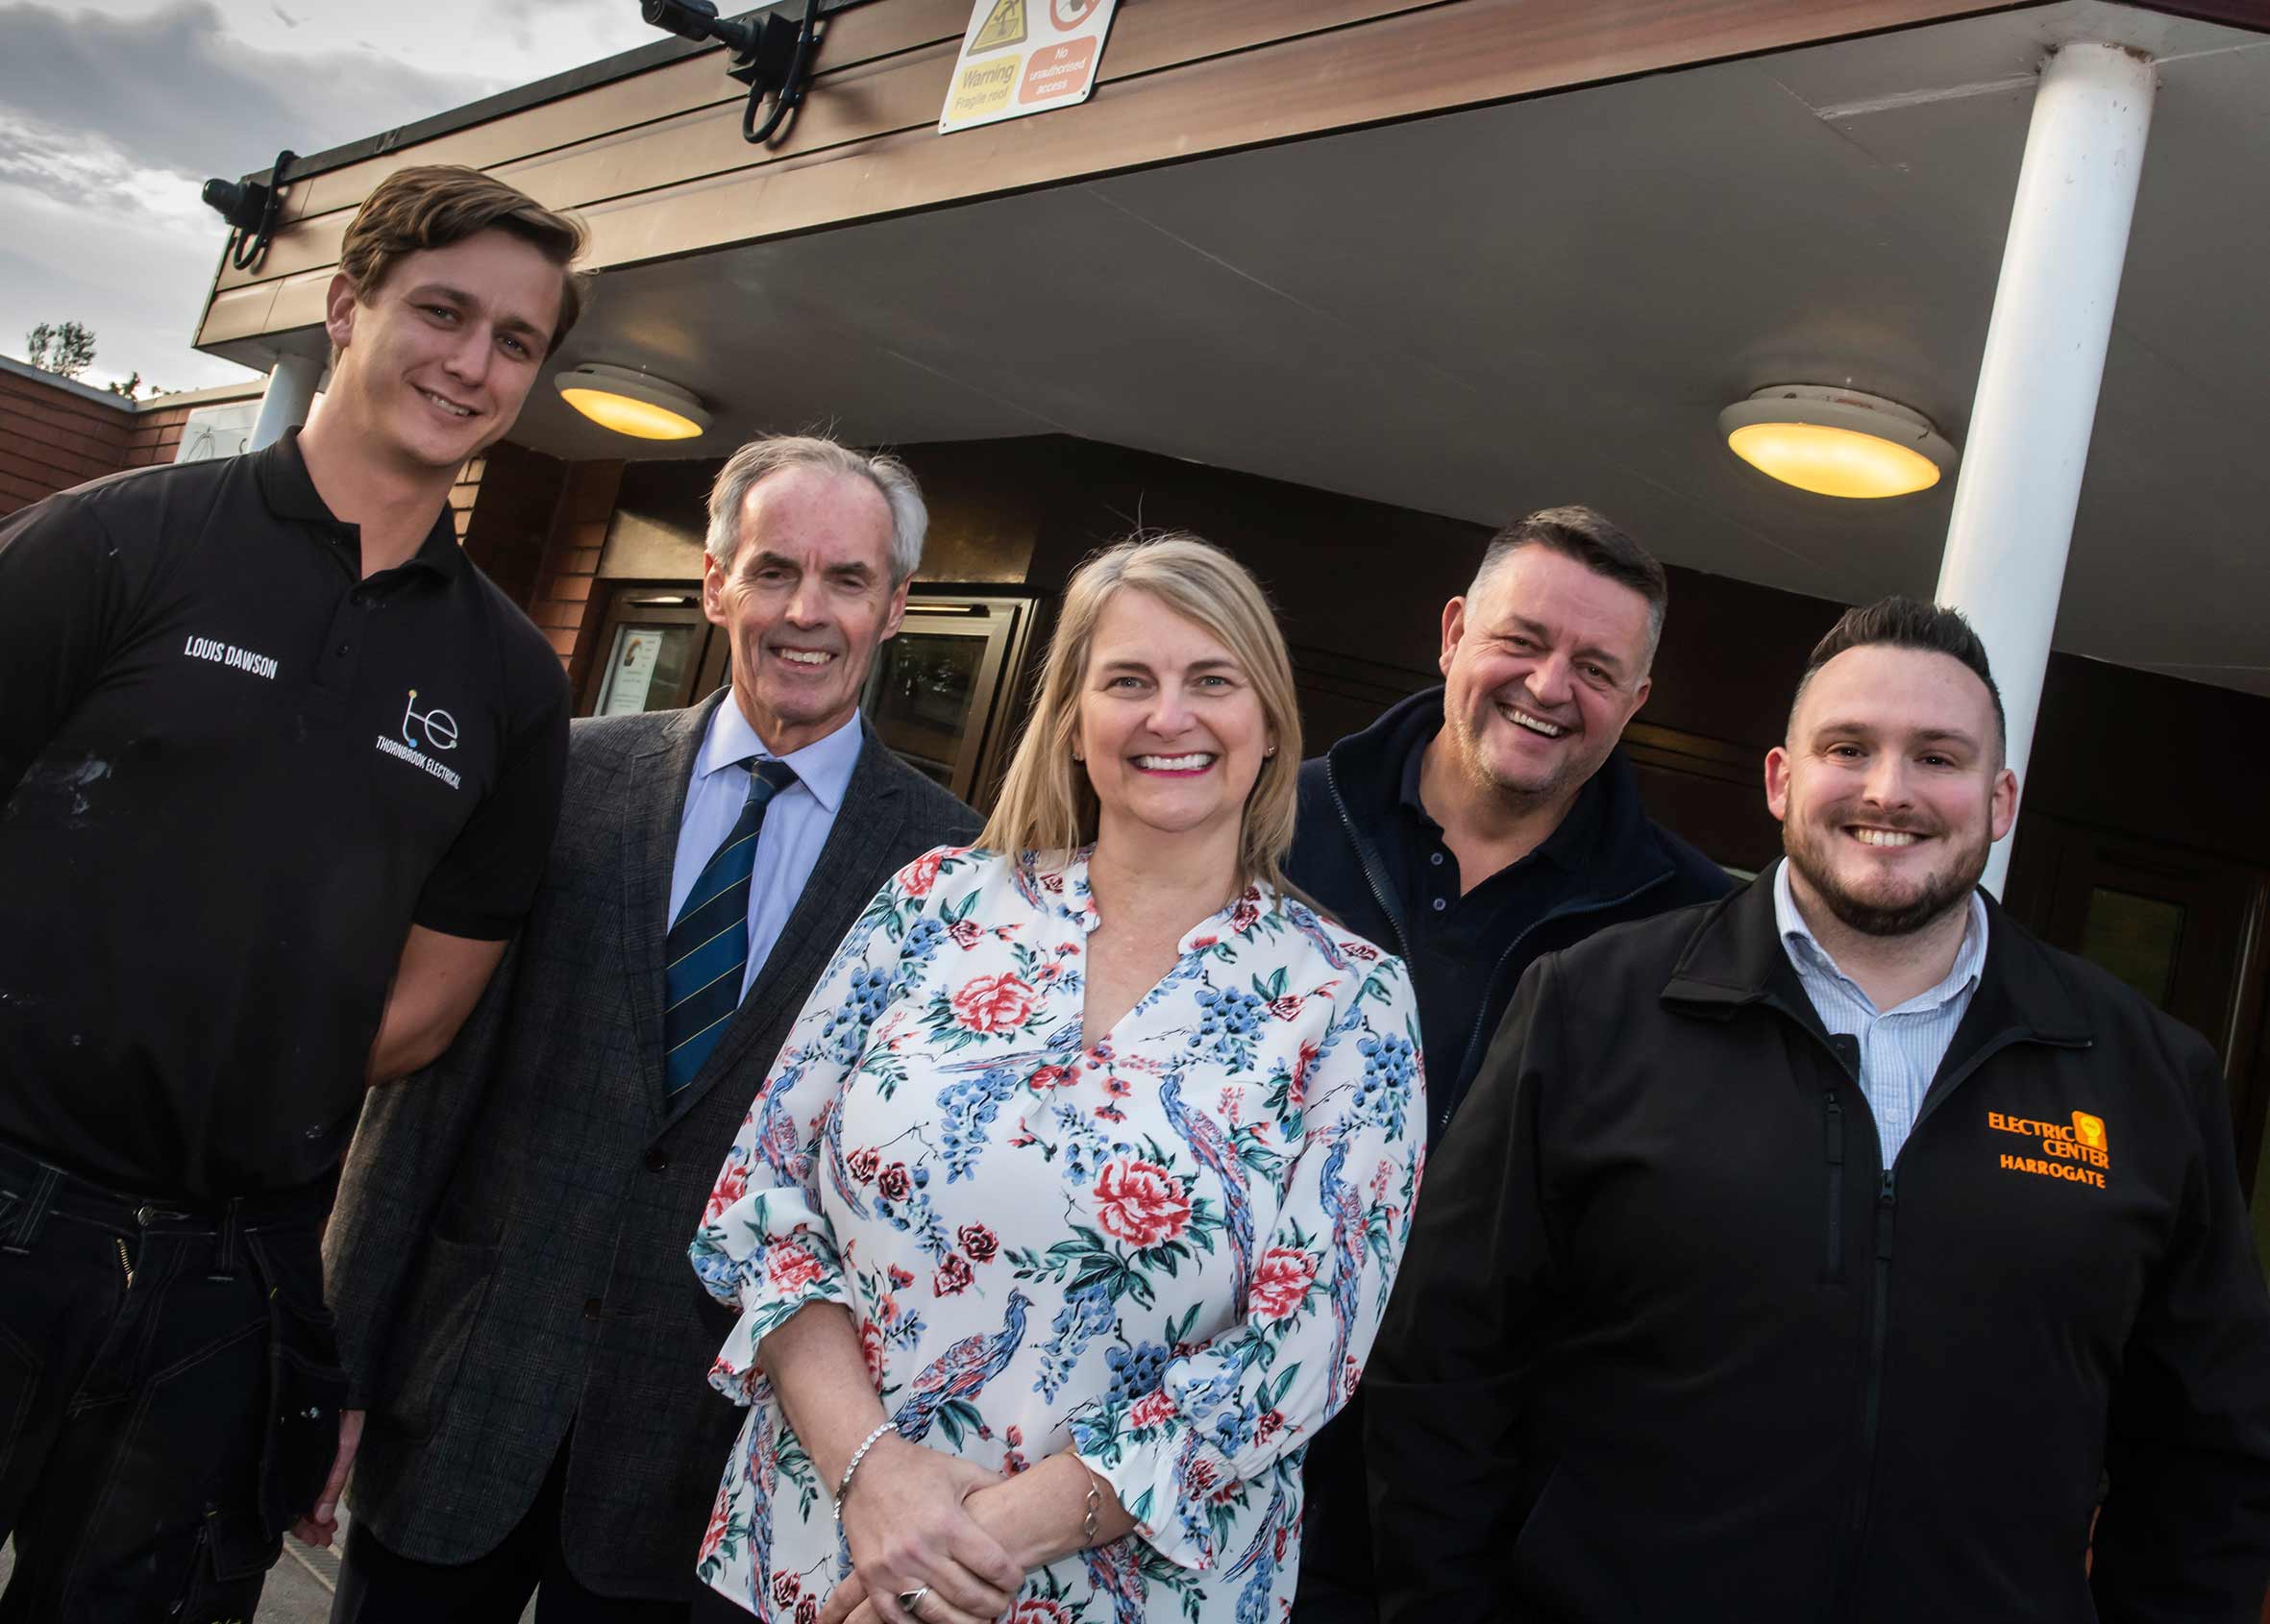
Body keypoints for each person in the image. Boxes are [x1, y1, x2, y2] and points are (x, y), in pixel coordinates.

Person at [1366, 597, 2270, 1621]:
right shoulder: (1589, 1009)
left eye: (1937, 757)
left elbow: (2207, 1454)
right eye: (1850, 747)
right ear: (1779, 780)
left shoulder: (2145, 1074)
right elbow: (1442, 1370)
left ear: (2000, 796)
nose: (1890, 791)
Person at [0, 163, 583, 1620]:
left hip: (235, 1272)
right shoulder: (114, 541)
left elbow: (428, 1005)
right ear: (344, 305)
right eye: (442, 311)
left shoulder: (510, 682)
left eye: (514, 341)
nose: (472, 362)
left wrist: (235, 1070)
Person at [687, 533, 1426, 1624]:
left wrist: (968, 1545)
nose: (1167, 716)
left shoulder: (1351, 1000)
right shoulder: (934, 901)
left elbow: (1301, 1348)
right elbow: (762, 1199)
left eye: (1211, 680)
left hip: (1109, 1598)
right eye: (1127, 680)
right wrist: (875, 1478)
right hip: (810, 1562)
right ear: (1074, 723)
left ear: (1267, 723)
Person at [318, 434, 980, 1622]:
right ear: (717, 580)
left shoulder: (953, 870)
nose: (805, 611)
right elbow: (424, 1095)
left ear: (895, 606)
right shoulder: (564, 778)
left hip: (703, 1456)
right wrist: (336, 1363)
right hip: (466, 1390)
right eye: (774, 570)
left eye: (846, 579)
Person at [1282, 504, 1728, 1622]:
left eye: (1593, 666)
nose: (1546, 685)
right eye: (1521, 641)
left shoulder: (1693, 933)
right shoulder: (1268, 824)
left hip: (1458, 1536)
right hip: (1182, 1469)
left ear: (1635, 702)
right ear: (1450, 633)